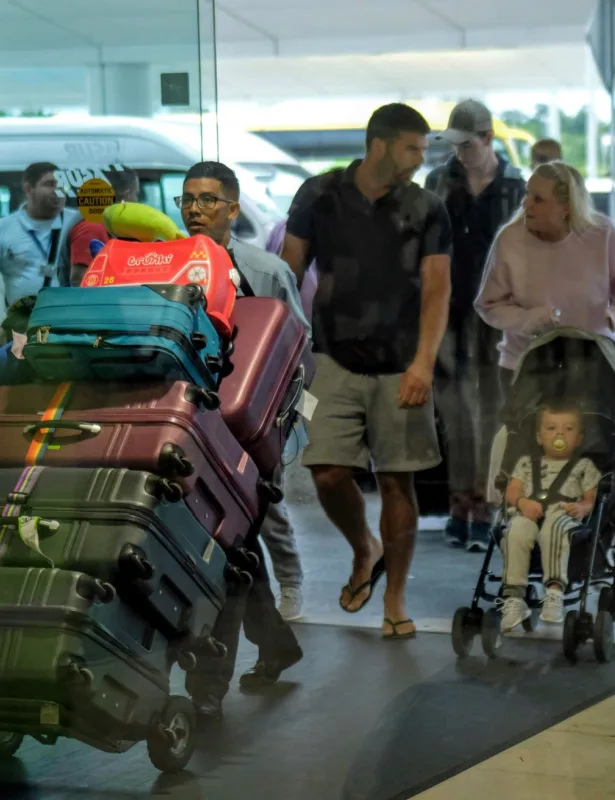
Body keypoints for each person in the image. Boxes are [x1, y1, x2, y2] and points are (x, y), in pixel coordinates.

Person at [280, 103, 452, 641]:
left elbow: (438, 288)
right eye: (411, 148)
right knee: (326, 470)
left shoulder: (426, 208)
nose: (419, 160)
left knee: (397, 479)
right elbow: (288, 273)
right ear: (377, 144)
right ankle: (364, 550)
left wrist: (424, 361)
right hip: (331, 355)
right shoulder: (319, 194)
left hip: (401, 362)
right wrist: (286, 352)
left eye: (424, 150)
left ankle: (395, 597)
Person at [177, 161, 306, 716]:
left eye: (208, 200)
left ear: (233, 208)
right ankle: (276, 644)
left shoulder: (266, 270)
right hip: (189, 428)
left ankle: (207, 690)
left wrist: (283, 433)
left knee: (226, 551)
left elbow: (296, 350)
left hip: (248, 438)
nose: (195, 209)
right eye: (188, 199)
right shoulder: (168, 266)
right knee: (233, 549)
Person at [424, 99, 526, 552]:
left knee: (492, 411)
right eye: (455, 145)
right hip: (446, 309)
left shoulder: (516, 190)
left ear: (487, 139)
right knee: (453, 413)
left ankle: (486, 505)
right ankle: (459, 502)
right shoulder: (437, 182)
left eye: (468, 145)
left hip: (497, 314)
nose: (460, 153)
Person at [475, 161, 615, 401]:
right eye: (527, 194)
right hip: (525, 367)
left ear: (565, 207)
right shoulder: (510, 239)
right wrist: (526, 319)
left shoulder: (602, 234)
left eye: (538, 199)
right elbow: (489, 304)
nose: (525, 203)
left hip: (595, 365)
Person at [501, 401, 601, 628]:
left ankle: (554, 591)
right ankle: (514, 596)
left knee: (555, 525)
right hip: (530, 513)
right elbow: (513, 490)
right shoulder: (526, 463)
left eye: (568, 429)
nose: (559, 434)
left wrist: (583, 509)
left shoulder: (584, 465)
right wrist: (522, 502)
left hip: (564, 514)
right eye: (551, 428)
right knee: (515, 529)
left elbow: (590, 499)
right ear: (539, 437)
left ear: (578, 438)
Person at [0, 162, 80, 316]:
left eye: (63, 185)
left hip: (67, 321)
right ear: (28, 189)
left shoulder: (78, 223)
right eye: (50, 184)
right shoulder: (4, 228)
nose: (58, 191)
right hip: (21, 325)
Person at [69, 167, 141, 286]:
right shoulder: (94, 227)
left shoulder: (105, 223)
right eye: (136, 194)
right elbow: (80, 280)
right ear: (126, 195)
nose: (136, 201)